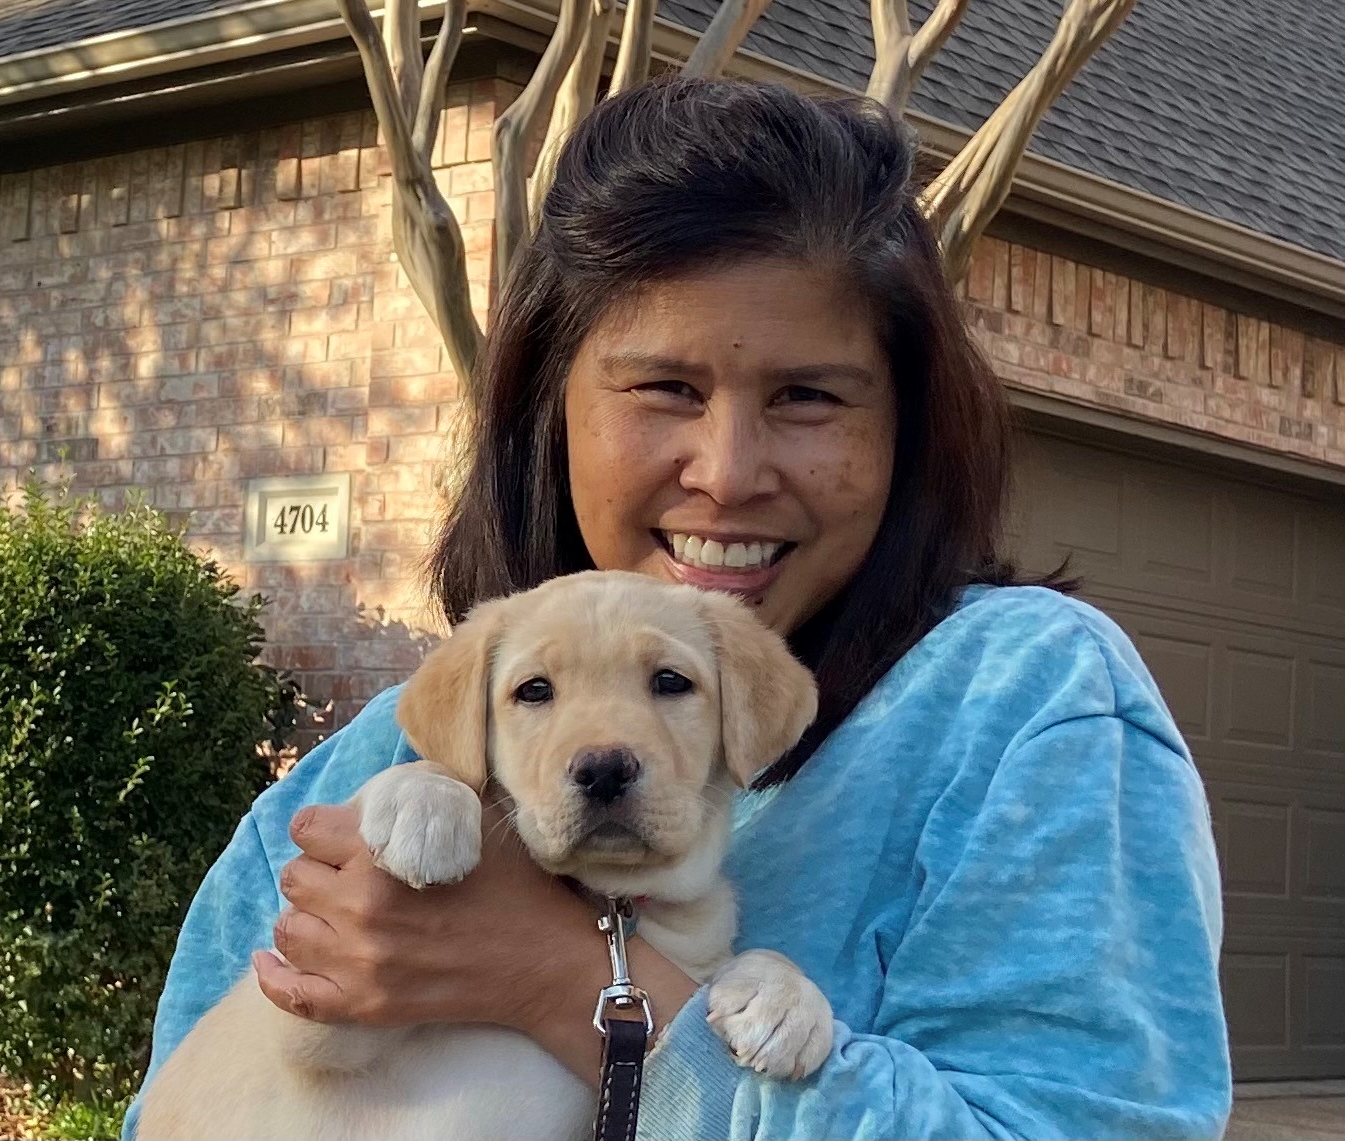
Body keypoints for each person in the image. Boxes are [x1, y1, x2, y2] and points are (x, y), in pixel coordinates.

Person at [123, 76, 1231, 1140]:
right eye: (665, 388)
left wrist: (564, 983)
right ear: (547, 408)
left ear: (904, 426)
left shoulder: (1024, 704)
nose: (729, 469)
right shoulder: (358, 776)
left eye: (807, 396)